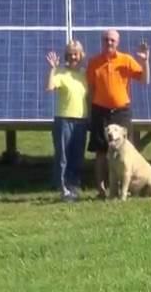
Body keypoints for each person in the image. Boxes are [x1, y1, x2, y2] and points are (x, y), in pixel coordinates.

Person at [86, 29, 151, 199]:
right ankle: (101, 190)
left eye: (112, 40)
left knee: (125, 151)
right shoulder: (94, 63)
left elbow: (144, 80)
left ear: (117, 42)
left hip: (121, 112)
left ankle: (124, 189)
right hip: (100, 111)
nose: (109, 43)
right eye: (106, 40)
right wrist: (90, 112)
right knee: (100, 151)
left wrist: (145, 62)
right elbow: (91, 90)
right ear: (102, 41)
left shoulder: (126, 60)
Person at [45, 40, 88, 202]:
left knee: (77, 155)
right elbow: (49, 88)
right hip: (63, 119)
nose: (73, 57)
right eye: (70, 54)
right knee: (63, 155)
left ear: (81, 55)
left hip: (81, 120)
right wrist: (52, 69)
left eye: (76, 54)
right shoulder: (60, 72)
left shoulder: (85, 74)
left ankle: (74, 184)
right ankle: (62, 186)